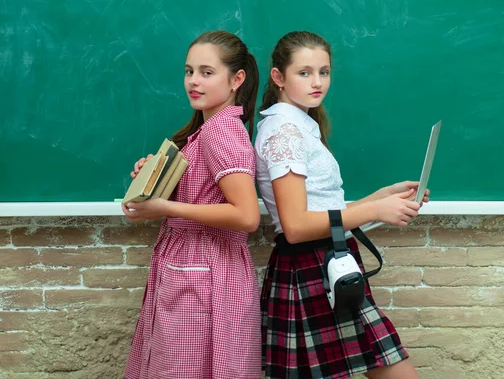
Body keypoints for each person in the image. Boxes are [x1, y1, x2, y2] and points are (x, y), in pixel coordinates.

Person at [255, 31, 428, 379]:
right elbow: (297, 225)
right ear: (279, 77)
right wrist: (376, 211)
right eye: (304, 73)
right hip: (311, 266)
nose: (317, 82)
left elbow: (322, 206)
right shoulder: (284, 132)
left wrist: (381, 196)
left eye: (324, 72)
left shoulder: (300, 125)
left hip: (327, 261)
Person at [123, 30, 262, 379]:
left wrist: (166, 208)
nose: (193, 82)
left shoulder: (220, 132)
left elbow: (246, 216)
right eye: (188, 71)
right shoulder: (206, 128)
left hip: (207, 271)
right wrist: (156, 179)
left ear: (237, 79)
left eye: (206, 72)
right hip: (196, 269)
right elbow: (204, 191)